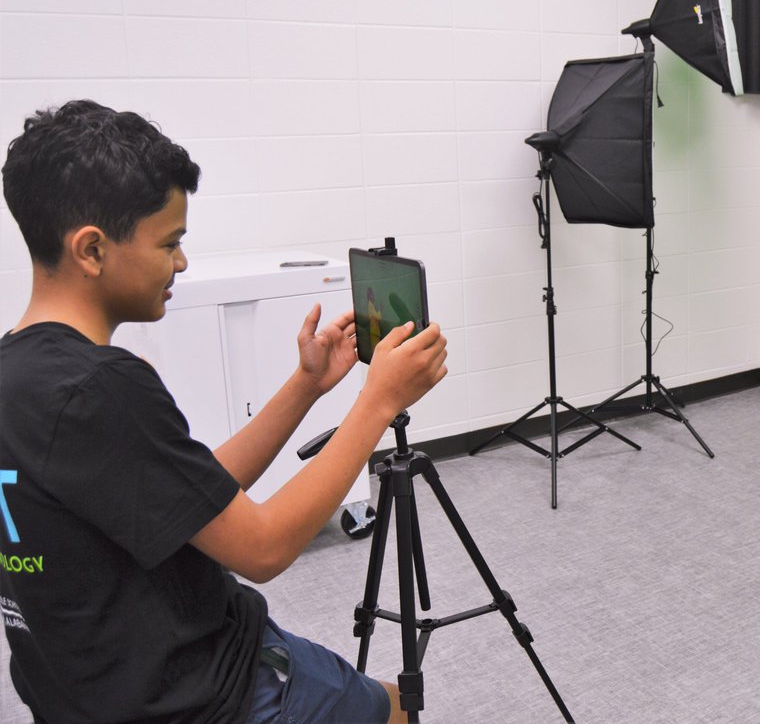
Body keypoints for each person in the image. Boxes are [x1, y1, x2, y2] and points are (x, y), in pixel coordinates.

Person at [0, 100, 449, 722]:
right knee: (394, 709)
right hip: (206, 692)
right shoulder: (103, 387)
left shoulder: (19, 375)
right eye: (170, 243)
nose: (180, 263)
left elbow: (185, 490)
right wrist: (379, 403)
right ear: (92, 249)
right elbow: (263, 550)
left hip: (82, 691)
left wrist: (306, 386)